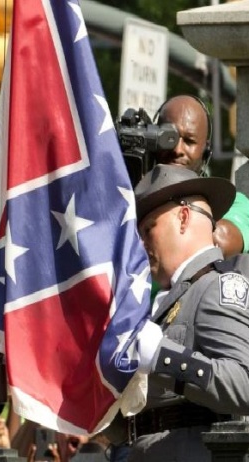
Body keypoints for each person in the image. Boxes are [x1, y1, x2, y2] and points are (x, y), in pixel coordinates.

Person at [106, 164, 249, 461]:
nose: (141, 246)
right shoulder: (165, 299)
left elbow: (243, 383)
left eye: (148, 231)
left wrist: (160, 356)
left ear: (183, 218)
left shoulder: (215, 288)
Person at [153, 95, 249, 257]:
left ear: (206, 151)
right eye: (169, 138)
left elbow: (221, 240)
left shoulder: (234, 202)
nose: (178, 149)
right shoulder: (131, 198)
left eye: (189, 141)